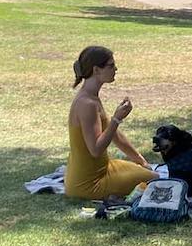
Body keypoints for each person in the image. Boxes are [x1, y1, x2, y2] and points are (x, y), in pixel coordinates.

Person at [64, 46, 158, 199]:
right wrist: (117, 119)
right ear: (96, 70)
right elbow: (95, 149)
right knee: (154, 179)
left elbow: (115, 135)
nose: (116, 68)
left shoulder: (92, 97)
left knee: (150, 172)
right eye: (111, 65)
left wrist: (140, 160)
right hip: (88, 184)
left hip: (104, 169)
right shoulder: (87, 104)